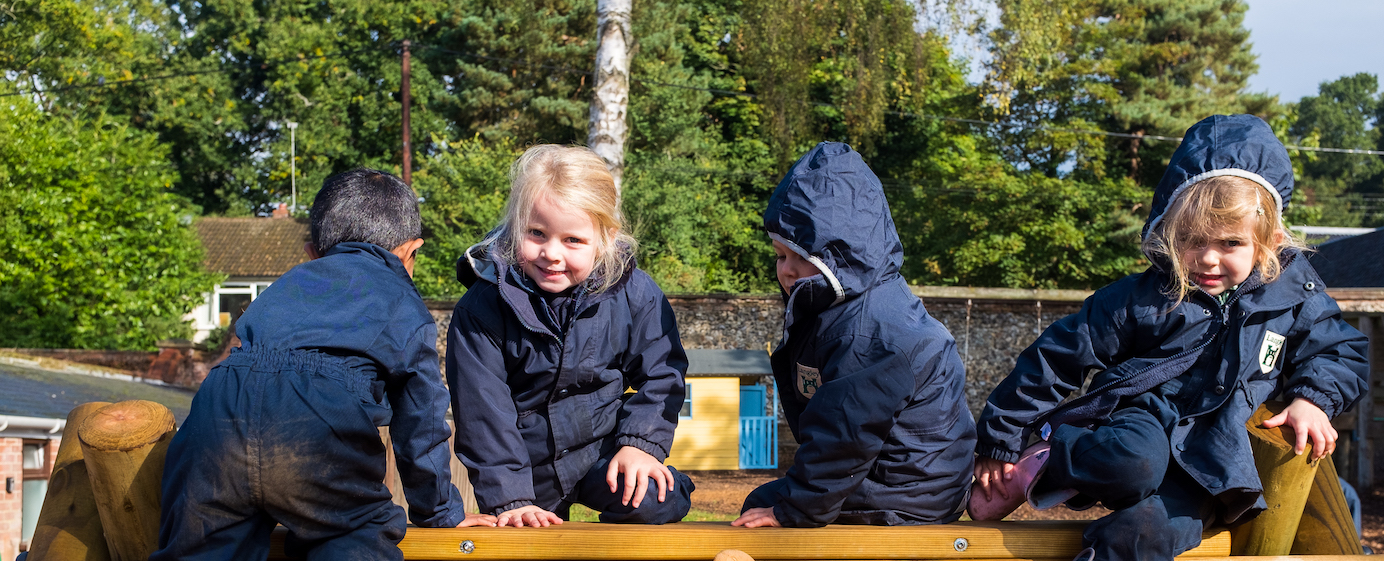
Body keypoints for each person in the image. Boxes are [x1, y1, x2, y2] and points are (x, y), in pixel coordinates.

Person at [969, 114, 1370, 561]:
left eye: (1230, 244)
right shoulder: (1143, 297)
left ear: (1269, 241)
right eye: (1191, 240)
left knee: (1143, 534)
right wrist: (1000, 441)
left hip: (1217, 461)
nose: (1208, 259)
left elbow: (1340, 349)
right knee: (1133, 464)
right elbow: (1055, 357)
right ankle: (1042, 463)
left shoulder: (1294, 295)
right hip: (1144, 424)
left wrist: (1313, 399)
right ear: (1167, 231)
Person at [153, 169, 494, 561]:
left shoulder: (282, 287)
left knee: (203, 549)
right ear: (409, 251)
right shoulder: (401, 301)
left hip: (218, 415)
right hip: (314, 424)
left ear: (313, 251)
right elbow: (422, 418)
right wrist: (438, 510)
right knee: (353, 536)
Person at [732, 142, 977, 528]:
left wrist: (795, 511)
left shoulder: (869, 331)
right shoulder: (845, 309)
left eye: (806, 259)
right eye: (781, 256)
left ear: (844, 256)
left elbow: (844, 435)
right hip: (907, 480)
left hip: (907, 493)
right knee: (767, 499)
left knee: (770, 505)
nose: (788, 271)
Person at [447, 144, 693, 527]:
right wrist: (510, 499)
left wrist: (639, 445)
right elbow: (482, 413)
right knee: (524, 537)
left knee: (657, 499)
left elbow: (662, 373)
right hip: (525, 466)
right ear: (516, 228)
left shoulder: (634, 293)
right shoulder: (481, 308)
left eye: (572, 240)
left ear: (605, 238)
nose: (551, 254)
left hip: (605, 453)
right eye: (537, 234)